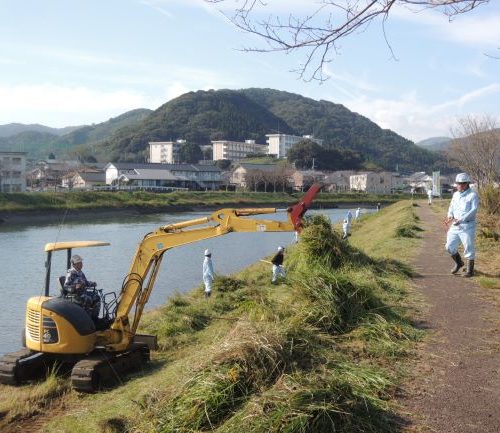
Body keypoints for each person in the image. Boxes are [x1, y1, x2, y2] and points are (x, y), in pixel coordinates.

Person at [444, 173, 479, 278]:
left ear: (467, 184)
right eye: (458, 183)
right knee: (449, 247)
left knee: (468, 247)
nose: (459, 185)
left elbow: (473, 210)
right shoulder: (455, 195)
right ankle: (459, 263)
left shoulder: (473, 195)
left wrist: (462, 219)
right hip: (455, 225)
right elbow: (451, 206)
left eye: (462, 184)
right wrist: (450, 215)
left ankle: (470, 271)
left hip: (468, 226)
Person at [64, 254, 100, 319]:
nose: (81, 264)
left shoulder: (80, 273)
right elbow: (66, 286)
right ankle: (86, 318)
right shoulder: (70, 273)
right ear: (74, 264)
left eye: (81, 263)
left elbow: (86, 282)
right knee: (87, 299)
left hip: (83, 292)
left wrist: (93, 283)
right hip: (75, 294)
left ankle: (94, 317)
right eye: (79, 263)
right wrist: (75, 287)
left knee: (96, 297)